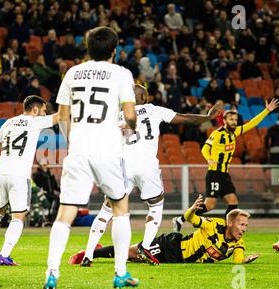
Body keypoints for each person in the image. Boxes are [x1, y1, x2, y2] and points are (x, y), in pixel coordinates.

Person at [78, 84, 222, 267]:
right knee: (155, 207)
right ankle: (145, 246)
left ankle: (88, 255)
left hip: (123, 166)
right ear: (144, 98)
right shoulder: (154, 110)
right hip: (147, 166)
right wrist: (208, 117)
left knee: (106, 210)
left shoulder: (117, 115)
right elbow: (186, 119)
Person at [42, 26, 138, 289]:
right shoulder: (121, 73)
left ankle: (52, 272)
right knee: (120, 208)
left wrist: (72, 140)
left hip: (79, 151)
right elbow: (129, 114)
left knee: (65, 214)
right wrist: (132, 127)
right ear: (114, 50)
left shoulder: (72, 72)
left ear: (88, 48)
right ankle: (120, 273)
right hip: (108, 150)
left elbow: (62, 116)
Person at [172, 98, 279, 232]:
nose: (234, 122)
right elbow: (205, 148)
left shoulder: (235, 132)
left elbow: (252, 123)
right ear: (224, 121)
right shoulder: (217, 134)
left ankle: (226, 230)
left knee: (233, 200)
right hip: (214, 173)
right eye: (231, 120)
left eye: (235, 120)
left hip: (224, 174)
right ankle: (181, 219)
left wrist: (267, 111)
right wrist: (209, 159)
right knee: (210, 205)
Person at [0, 95, 58, 266]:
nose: (44, 114)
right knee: (18, 216)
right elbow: (61, 116)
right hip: (18, 176)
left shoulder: (9, 122)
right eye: (43, 110)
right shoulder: (36, 122)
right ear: (35, 110)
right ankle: (4, 255)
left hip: (0, 173)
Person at [69, 195, 259, 265]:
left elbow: (237, 261)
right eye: (242, 224)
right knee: (132, 253)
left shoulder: (238, 243)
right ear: (230, 223)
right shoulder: (213, 225)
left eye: (246, 226)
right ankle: (89, 253)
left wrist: (244, 261)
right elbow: (192, 219)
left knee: (135, 259)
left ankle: (97, 250)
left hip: (178, 261)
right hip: (172, 246)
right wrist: (192, 210)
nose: (244, 229)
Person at [32, 158, 60, 225]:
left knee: (58, 198)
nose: (44, 165)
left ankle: (53, 217)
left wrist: (63, 191)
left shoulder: (50, 175)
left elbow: (55, 187)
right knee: (55, 199)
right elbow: (36, 186)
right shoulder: (37, 175)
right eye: (43, 163)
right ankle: (48, 217)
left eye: (45, 163)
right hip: (43, 194)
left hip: (51, 194)